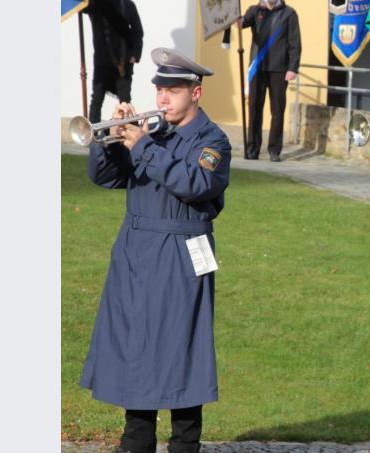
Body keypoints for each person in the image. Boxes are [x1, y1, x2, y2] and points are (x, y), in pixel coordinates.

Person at [80, 47, 231, 453]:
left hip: (181, 255)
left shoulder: (212, 139)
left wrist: (143, 146)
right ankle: (136, 443)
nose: (162, 98)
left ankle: (185, 444)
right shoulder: (154, 133)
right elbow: (105, 179)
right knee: (135, 350)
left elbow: (197, 184)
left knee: (183, 352)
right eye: (159, 88)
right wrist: (110, 139)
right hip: (135, 253)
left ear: (195, 93)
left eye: (173, 90)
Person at [240, 0, 301, 162]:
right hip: (257, 67)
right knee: (254, 108)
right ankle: (252, 148)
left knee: (277, 110)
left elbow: (295, 42)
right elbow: (241, 23)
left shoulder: (289, 13)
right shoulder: (254, 11)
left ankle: (274, 150)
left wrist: (292, 68)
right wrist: (231, 19)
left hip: (280, 69)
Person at [84, 0, 144, 123]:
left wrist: (134, 55)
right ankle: (93, 136)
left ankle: (131, 135)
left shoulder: (128, 5)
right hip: (102, 63)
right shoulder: (95, 4)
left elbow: (138, 31)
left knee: (125, 101)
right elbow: (81, 6)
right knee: (96, 100)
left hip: (123, 64)